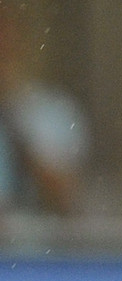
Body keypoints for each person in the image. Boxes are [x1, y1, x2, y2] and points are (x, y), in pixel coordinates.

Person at [0, 10, 89, 215]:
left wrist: (13, 114)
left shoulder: (53, 111)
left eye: (5, 49)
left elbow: (66, 197)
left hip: (36, 232)